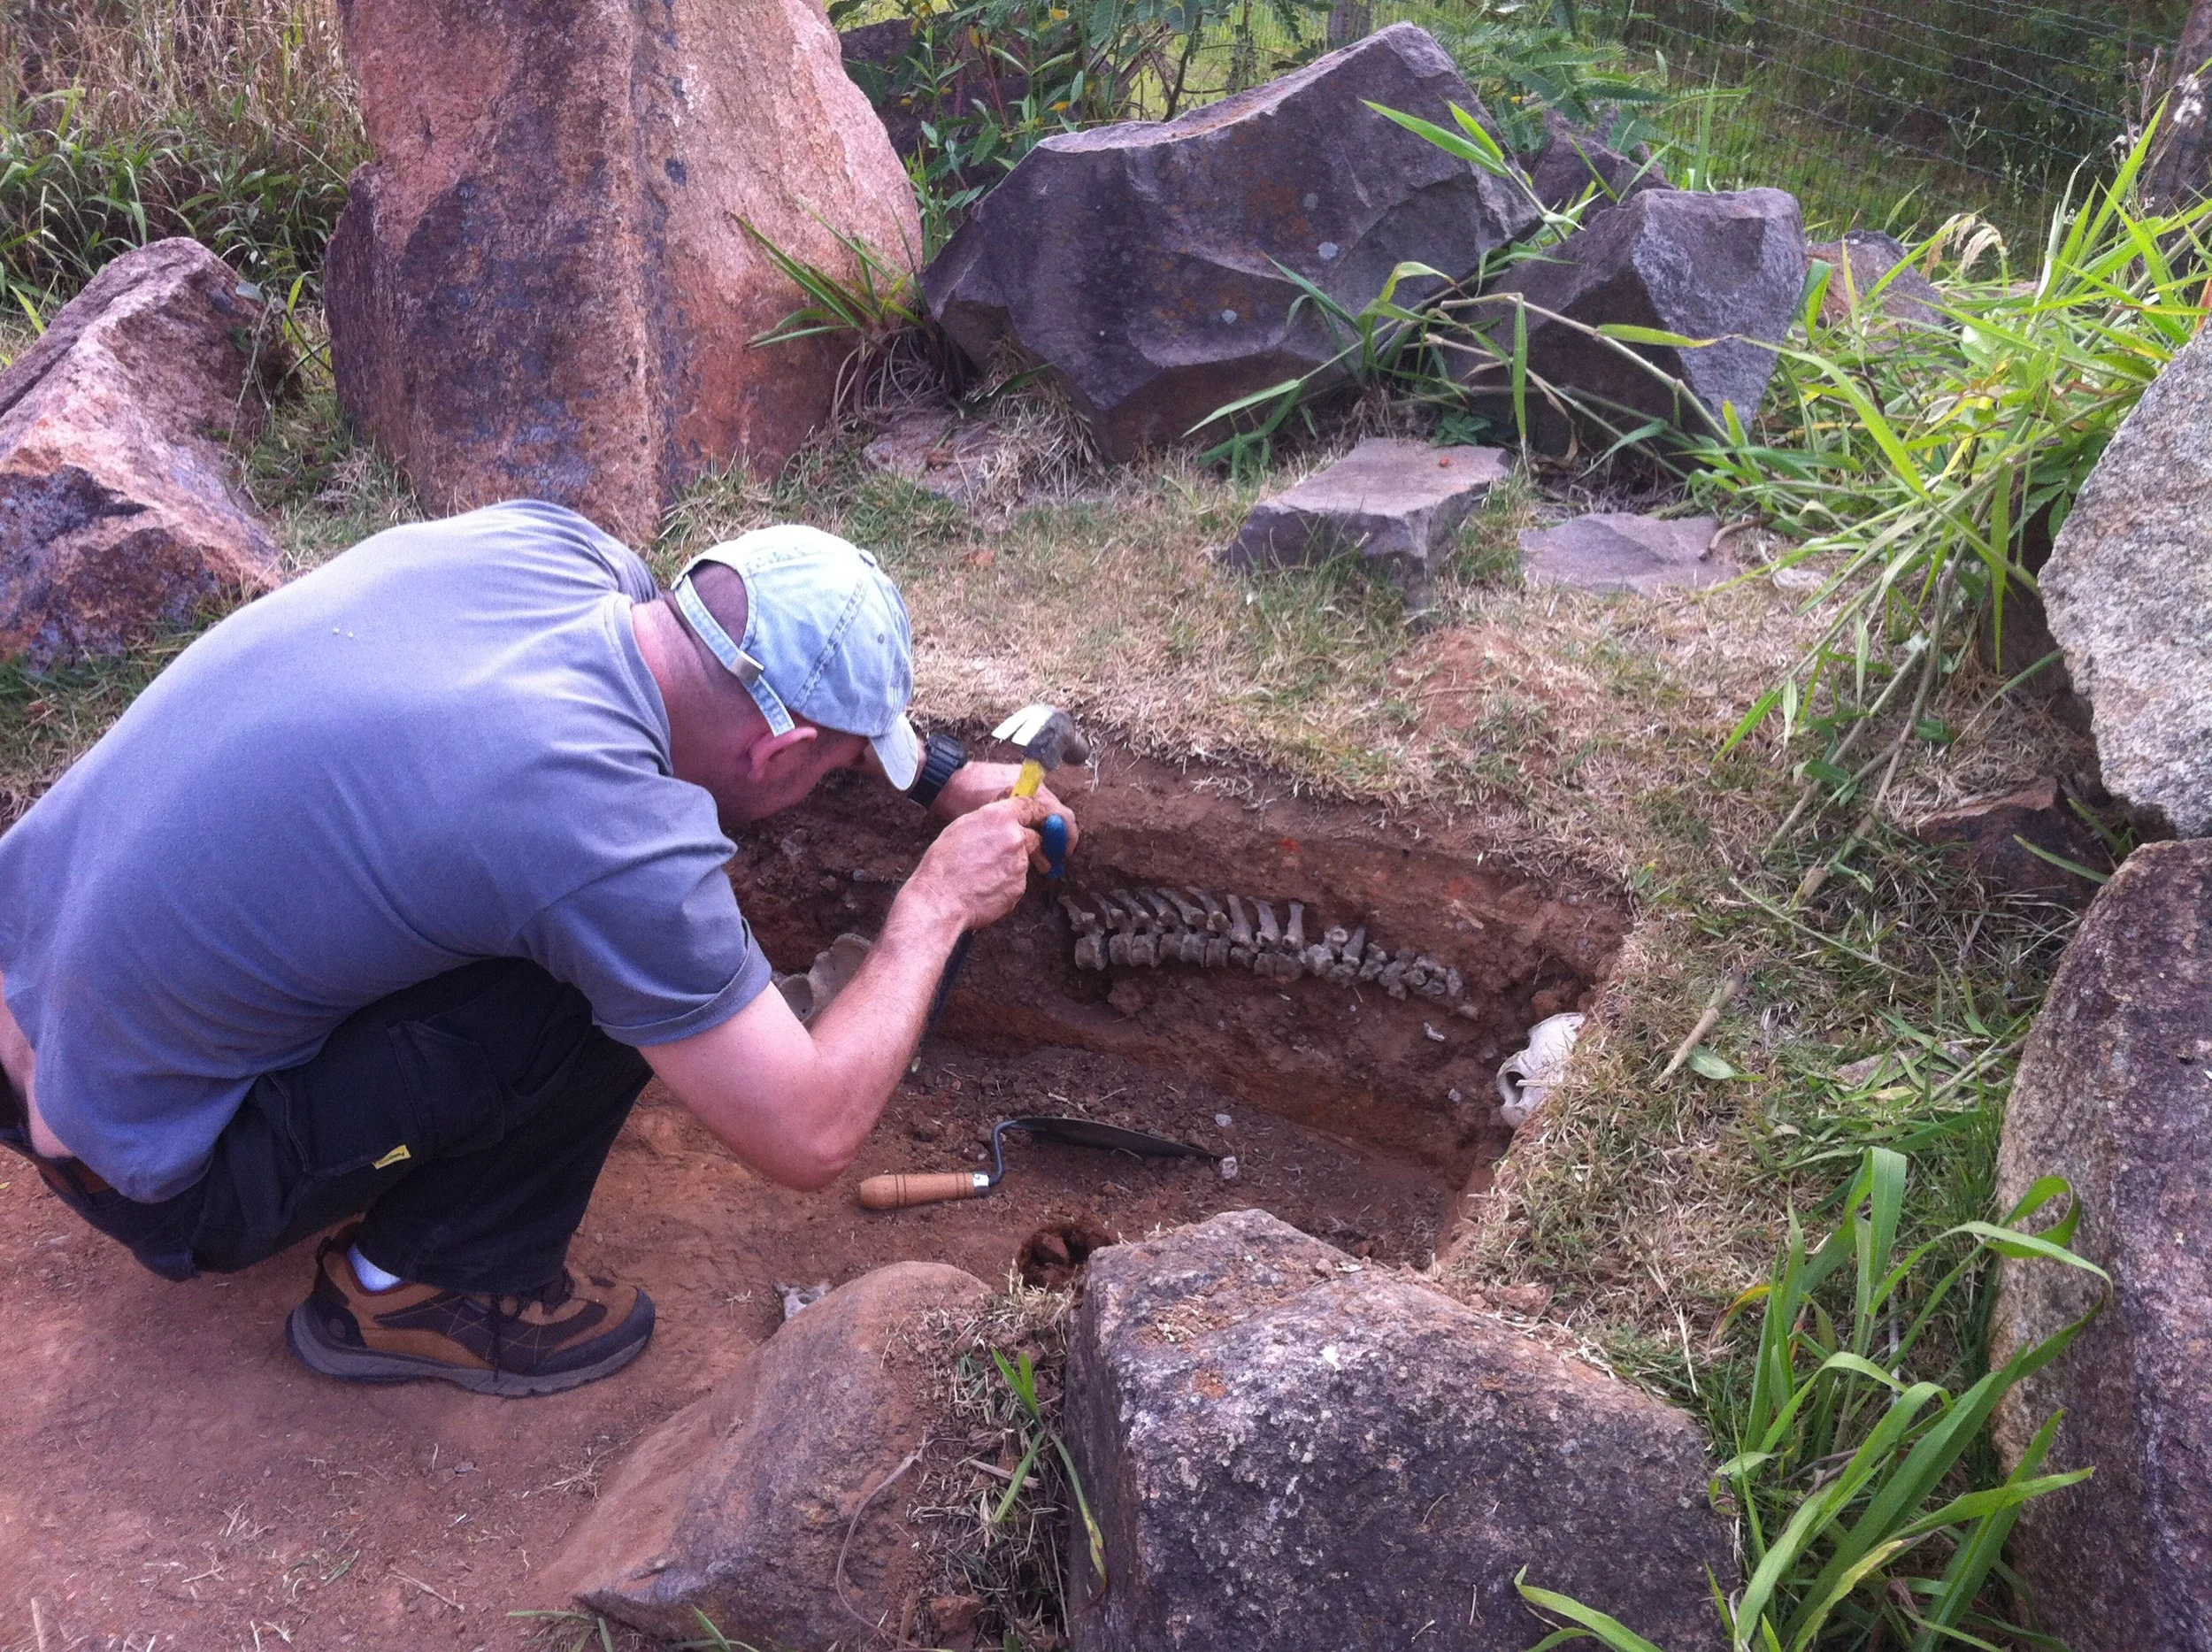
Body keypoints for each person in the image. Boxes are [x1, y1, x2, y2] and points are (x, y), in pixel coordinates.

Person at [0, 500, 1074, 1397]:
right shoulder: (600, 831)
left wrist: (933, 770)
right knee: (608, 988)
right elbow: (808, 1134)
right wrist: (933, 904)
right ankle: (420, 1284)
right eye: (839, 769)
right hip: (148, 1174)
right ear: (781, 747)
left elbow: (721, 675)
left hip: (26, 989)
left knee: (549, 915)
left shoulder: (551, 549)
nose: (836, 783)